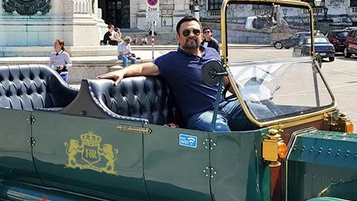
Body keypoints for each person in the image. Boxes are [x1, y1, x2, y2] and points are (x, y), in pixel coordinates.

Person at [98, 16, 255, 132]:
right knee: (221, 134)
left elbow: (226, 80)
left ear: (201, 34)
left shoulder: (212, 52)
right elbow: (143, 68)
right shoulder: (172, 60)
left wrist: (246, 95)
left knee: (263, 114)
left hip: (227, 106)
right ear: (178, 37)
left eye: (196, 31)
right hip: (201, 115)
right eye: (186, 32)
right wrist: (122, 72)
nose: (191, 35)